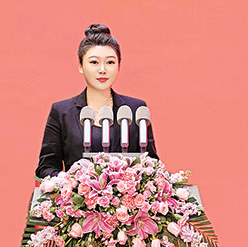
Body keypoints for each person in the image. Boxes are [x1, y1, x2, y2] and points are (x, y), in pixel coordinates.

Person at [35, 23, 159, 179]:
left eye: (110, 62)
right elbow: (46, 167)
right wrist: (71, 183)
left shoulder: (135, 110)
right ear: (80, 66)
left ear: (119, 66)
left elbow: (152, 165)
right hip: (77, 194)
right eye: (94, 62)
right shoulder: (62, 112)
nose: (102, 70)